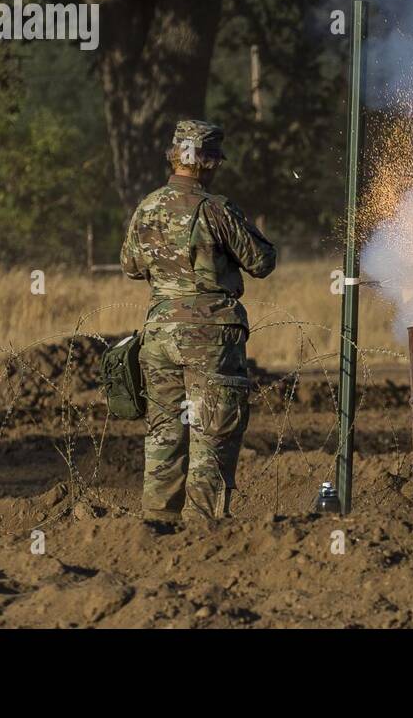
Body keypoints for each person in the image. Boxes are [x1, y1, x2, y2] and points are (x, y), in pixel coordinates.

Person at [120, 119, 277, 524]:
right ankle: (202, 527)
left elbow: (130, 266)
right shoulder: (216, 209)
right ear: (207, 162)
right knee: (213, 429)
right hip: (209, 333)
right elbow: (262, 261)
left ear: (175, 157)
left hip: (159, 332)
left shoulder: (147, 208)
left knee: (164, 430)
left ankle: (157, 521)